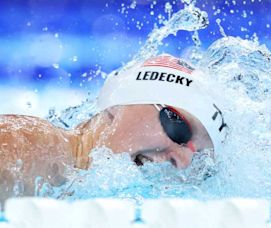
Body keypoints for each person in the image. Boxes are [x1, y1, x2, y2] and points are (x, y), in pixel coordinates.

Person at [0, 55, 228, 202]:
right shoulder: (31, 147)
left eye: (199, 156)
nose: (184, 162)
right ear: (118, 105)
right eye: (179, 128)